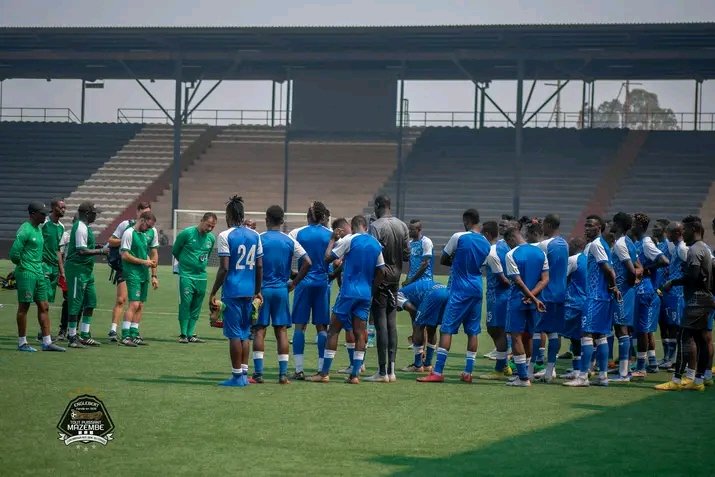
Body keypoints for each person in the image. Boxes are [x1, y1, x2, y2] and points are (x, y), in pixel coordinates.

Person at [418, 209, 490, 384]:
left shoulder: (459, 236)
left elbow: (443, 259)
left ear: (467, 220)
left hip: (460, 289)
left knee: (446, 329)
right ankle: (468, 372)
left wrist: (457, 260)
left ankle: (437, 372)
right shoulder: (486, 242)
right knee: (473, 331)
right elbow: (482, 263)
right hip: (477, 287)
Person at [311, 215, 385, 384]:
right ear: (366, 226)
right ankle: (355, 375)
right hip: (365, 294)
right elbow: (381, 270)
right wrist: (371, 290)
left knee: (333, 330)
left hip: (348, 292)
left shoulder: (350, 240)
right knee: (360, 333)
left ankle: (324, 373)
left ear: (352, 226)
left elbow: (328, 258)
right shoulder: (376, 244)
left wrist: (332, 240)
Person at [209, 196, 263, 387]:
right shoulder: (255, 235)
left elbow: (224, 268)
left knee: (234, 335)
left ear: (229, 216)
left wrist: (213, 292)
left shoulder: (225, 235)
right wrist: (257, 290)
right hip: (249, 291)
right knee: (245, 333)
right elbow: (259, 266)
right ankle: (244, 374)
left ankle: (236, 376)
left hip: (232, 290)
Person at [253, 205, 311, 384]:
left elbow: (255, 264)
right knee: (282, 331)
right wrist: (294, 282)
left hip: (262, 290)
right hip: (281, 290)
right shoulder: (289, 240)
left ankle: (258, 373)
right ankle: (283, 375)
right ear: (282, 221)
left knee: (259, 330)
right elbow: (308, 262)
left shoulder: (259, 238)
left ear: (266, 219)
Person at [656, 216, 714, 391]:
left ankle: (676, 380)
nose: (683, 233)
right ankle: (699, 380)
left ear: (694, 230)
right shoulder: (703, 248)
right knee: (701, 339)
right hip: (704, 298)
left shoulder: (694, 250)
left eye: (685, 230)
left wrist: (672, 282)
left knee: (683, 337)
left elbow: (692, 277)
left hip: (696, 300)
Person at [564, 215, 620, 387]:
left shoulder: (595, 245)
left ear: (599, 228)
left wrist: (614, 287)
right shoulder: (604, 244)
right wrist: (612, 289)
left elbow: (608, 270)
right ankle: (602, 377)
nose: (586, 228)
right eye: (586, 225)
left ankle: (583, 377)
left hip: (595, 297)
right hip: (603, 297)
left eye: (591, 226)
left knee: (586, 334)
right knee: (601, 336)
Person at [10, 202, 64, 352]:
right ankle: (22, 342)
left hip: (39, 272)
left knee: (44, 305)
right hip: (27, 273)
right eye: (42, 213)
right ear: (33, 214)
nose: (45, 216)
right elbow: (14, 254)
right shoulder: (25, 229)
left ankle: (47, 342)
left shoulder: (39, 229)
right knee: (24, 306)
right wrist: (24, 266)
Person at [366, 195, 409, 382]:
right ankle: (391, 370)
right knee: (392, 323)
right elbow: (406, 254)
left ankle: (382, 372)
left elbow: (372, 254)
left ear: (378, 206)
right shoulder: (402, 225)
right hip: (395, 278)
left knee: (381, 324)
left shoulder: (376, 226)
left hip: (381, 278)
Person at [288, 201, 332, 380]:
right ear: (323, 217)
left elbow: (287, 254)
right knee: (322, 327)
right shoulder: (330, 234)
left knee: (300, 326)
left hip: (304, 283)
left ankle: (299, 370)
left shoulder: (297, 233)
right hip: (322, 283)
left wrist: (292, 275)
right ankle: (321, 370)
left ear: (307, 216)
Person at [503, 223, 549, 387]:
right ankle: (527, 373)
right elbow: (545, 279)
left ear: (510, 239)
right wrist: (534, 296)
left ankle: (522, 378)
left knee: (516, 336)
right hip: (535, 301)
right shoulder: (540, 252)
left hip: (518, 300)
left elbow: (517, 281)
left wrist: (531, 297)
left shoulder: (511, 254)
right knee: (529, 335)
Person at [107, 202, 153, 342]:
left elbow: (149, 250)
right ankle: (114, 330)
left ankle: (133, 332)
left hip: (140, 269)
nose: (146, 215)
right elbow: (111, 241)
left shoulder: (147, 231)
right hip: (125, 267)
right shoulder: (126, 226)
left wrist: (153, 272)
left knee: (138, 303)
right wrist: (126, 241)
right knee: (122, 299)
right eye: (144, 212)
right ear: (138, 212)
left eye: (148, 213)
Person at [65, 202, 109, 348]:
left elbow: (85, 246)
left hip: (86, 270)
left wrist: (96, 247)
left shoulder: (86, 227)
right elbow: (81, 251)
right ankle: (72, 336)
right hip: (77, 269)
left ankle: (84, 334)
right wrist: (101, 251)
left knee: (91, 301)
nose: (96, 216)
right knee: (75, 303)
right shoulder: (80, 227)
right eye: (95, 213)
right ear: (88, 213)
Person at [631, 213, 669, 378]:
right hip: (641, 290)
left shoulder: (646, 242)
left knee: (642, 330)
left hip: (645, 290)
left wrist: (646, 268)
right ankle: (652, 363)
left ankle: (641, 367)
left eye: (633, 223)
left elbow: (664, 260)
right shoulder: (637, 242)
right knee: (644, 329)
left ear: (640, 226)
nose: (631, 226)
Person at [172, 212, 217, 343]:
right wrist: (185, 263)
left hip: (201, 276)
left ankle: (191, 334)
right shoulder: (187, 233)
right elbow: (175, 250)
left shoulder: (211, 238)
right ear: (202, 220)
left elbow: (207, 255)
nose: (210, 228)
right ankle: (183, 334)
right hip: (186, 275)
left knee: (197, 305)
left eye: (212, 226)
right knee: (186, 303)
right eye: (208, 225)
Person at [534, 214, 569, 382]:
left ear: (548, 224)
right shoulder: (565, 244)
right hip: (560, 293)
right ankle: (549, 371)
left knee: (536, 331)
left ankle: (529, 371)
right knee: (554, 333)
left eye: (543, 224)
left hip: (545, 293)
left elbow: (538, 268)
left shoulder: (544, 245)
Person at [609, 212, 642, 383]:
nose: (611, 225)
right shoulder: (628, 242)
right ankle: (626, 369)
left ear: (618, 224)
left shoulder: (621, 244)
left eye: (613, 222)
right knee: (625, 331)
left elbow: (631, 269)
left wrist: (627, 283)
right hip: (626, 291)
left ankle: (623, 374)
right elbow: (639, 267)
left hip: (621, 292)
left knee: (621, 329)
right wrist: (634, 279)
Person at [478, 221, 513, 380]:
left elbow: (503, 279)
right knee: (500, 330)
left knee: (495, 330)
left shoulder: (492, 252)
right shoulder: (504, 246)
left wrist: (512, 284)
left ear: (486, 234)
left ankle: (500, 368)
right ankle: (504, 364)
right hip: (503, 296)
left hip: (498, 297)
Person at [119, 211, 160, 346]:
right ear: (142, 220)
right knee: (134, 304)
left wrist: (153, 274)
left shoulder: (143, 235)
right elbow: (125, 255)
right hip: (132, 273)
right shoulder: (129, 233)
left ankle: (134, 333)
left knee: (140, 305)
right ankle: (125, 335)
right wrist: (144, 262)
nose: (149, 229)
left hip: (143, 273)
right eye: (148, 226)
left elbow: (149, 253)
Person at [659, 221, 687, 369]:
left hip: (679, 293)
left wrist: (676, 282)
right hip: (673, 292)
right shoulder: (676, 247)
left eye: (669, 231)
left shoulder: (682, 248)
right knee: (671, 325)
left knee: (677, 327)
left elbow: (691, 267)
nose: (667, 234)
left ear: (677, 233)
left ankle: (678, 360)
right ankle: (671, 358)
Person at [559, 237, 588, 380]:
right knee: (579, 338)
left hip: (573, 303)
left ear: (575, 246)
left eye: (569, 245)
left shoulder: (572, 260)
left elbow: (561, 279)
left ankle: (548, 366)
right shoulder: (587, 259)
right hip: (585, 302)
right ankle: (579, 368)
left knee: (554, 332)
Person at [39, 198, 66, 340]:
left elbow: (58, 251)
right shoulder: (43, 223)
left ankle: (42, 331)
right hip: (43, 266)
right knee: (43, 302)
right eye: (61, 207)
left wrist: (62, 271)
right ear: (53, 207)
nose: (63, 210)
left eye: (65, 207)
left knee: (47, 301)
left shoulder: (61, 227)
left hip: (54, 269)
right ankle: (44, 333)